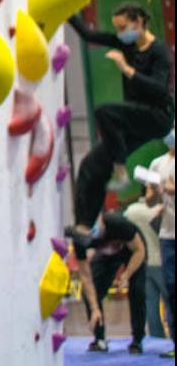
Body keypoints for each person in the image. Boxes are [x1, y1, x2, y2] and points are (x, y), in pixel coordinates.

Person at [68, 1, 174, 238]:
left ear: (138, 22)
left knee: (104, 112)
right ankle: (85, 226)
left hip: (157, 117)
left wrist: (127, 69)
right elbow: (88, 34)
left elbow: (159, 89)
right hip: (134, 117)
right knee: (92, 165)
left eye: (123, 27)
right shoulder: (127, 45)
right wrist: (67, 10)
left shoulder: (160, 51)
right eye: (117, 28)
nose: (120, 34)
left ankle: (120, 168)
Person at [75, 210, 148, 354]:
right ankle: (99, 339)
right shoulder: (80, 238)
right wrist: (94, 307)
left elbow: (139, 251)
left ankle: (137, 340)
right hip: (106, 254)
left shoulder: (118, 224)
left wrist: (127, 274)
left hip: (132, 250)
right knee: (90, 292)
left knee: (137, 291)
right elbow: (85, 276)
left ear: (102, 218)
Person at [148, 130, 176, 358]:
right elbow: (150, 197)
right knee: (171, 288)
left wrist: (168, 188)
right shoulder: (158, 164)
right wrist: (155, 191)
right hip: (168, 234)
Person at [122, 197, 165, 338]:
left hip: (142, 262)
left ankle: (157, 339)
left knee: (150, 305)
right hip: (161, 261)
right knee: (170, 303)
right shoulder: (160, 211)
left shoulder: (131, 211)